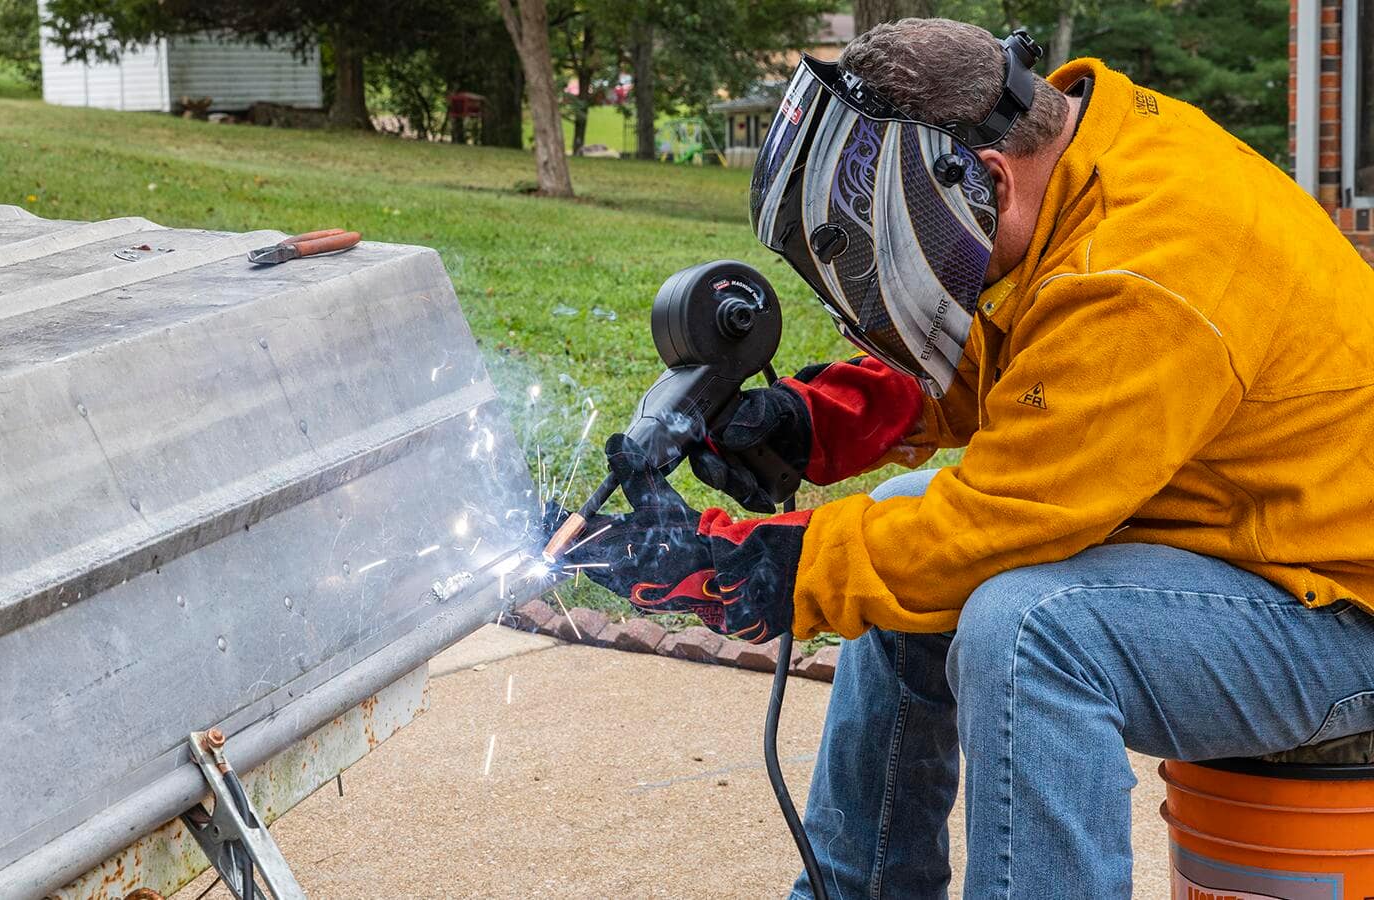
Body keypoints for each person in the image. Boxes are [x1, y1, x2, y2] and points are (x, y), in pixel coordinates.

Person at [556, 17, 1374, 898]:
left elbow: (995, 526)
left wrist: (752, 568)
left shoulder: (1147, 274)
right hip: (1255, 550)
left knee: (1030, 629)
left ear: (984, 181)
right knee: (913, 514)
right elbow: (1032, 358)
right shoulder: (1087, 156)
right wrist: (815, 418)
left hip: (1339, 618)